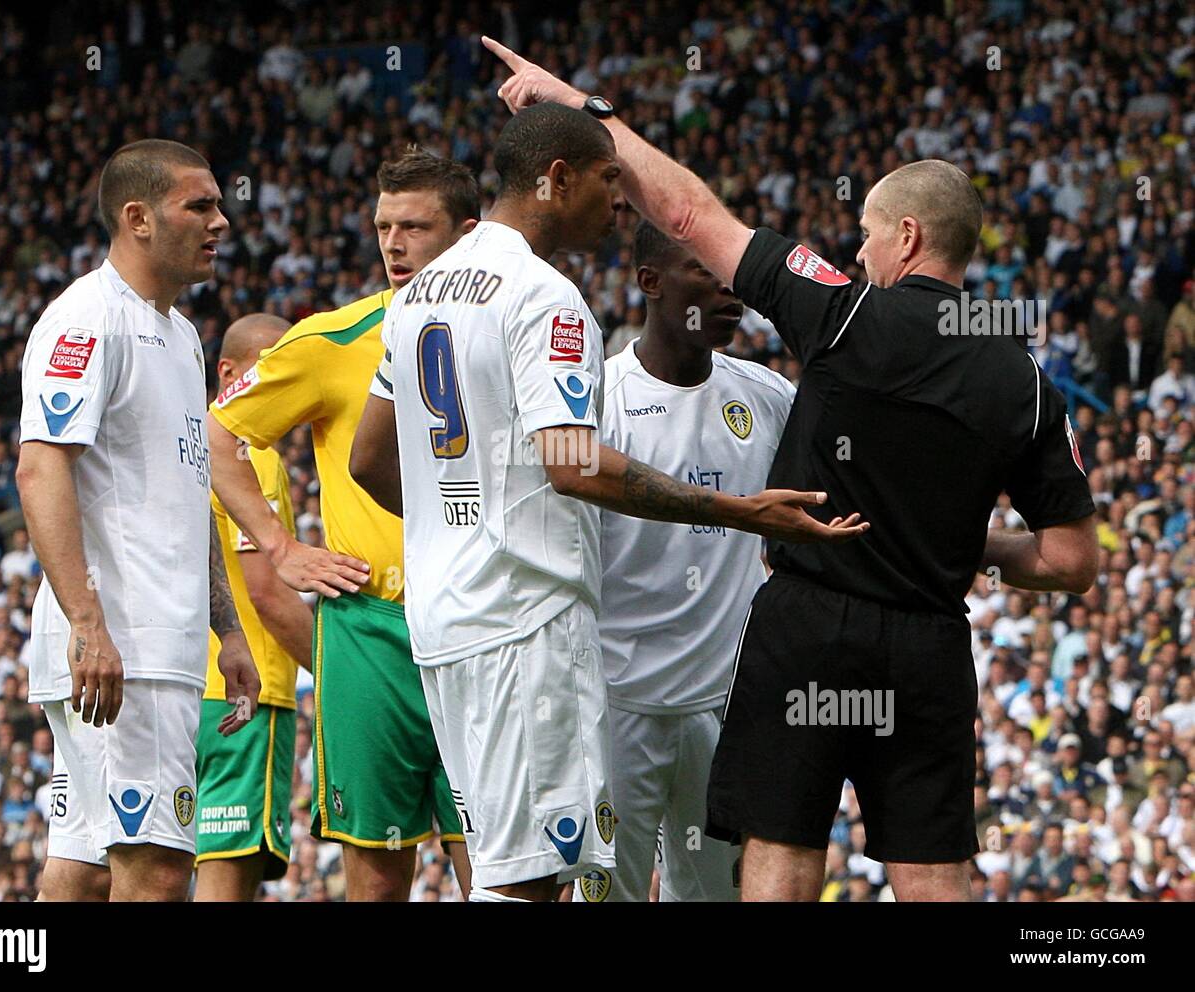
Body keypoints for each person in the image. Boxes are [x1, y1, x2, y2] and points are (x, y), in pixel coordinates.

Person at [483, 37, 1098, 902]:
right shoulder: (1028, 383)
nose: (861, 252)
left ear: (909, 236)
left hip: (810, 627)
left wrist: (587, 112)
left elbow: (693, 214)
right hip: (929, 641)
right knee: (931, 869)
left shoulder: (847, 317)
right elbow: (1072, 563)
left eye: (868, 236)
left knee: (781, 849)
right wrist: (976, 547)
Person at [350, 102, 864, 903]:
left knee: (506, 866)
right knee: (533, 880)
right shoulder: (545, 296)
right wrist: (739, 511)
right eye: (605, 182)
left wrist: (466, 521)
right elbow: (575, 466)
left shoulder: (422, 290)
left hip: (446, 616)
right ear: (556, 180)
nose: (618, 203)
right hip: (526, 617)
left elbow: (370, 459)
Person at [206, 150, 479, 901]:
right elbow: (217, 436)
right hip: (371, 630)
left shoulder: (512, 330)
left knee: (491, 868)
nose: (393, 243)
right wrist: (282, 546)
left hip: (483, 619)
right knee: (377, 872)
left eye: (415, 227)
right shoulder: (334, 337)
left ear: (468, 232)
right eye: (383, 225)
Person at [17, 139, 260, 902]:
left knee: (83, 872)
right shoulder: (87, 321)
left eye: (220, 204)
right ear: (138, 218)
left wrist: (228, 629)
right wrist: (90, 625)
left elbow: (187, 496)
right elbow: (40, 467)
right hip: (123, 645)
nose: (221, 221)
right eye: (200, 205)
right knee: (155, 871)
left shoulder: (182, 336)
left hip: (155, 641)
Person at [584, 220, 795, 902]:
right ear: (651, 281)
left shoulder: (766, 397)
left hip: (726, 707)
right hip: (615, 705)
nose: (730, 290)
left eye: (733, 275)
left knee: (714, 897)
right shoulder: (596, 401)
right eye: (706, 272)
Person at [194, 314, 310, 902]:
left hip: (195, 688)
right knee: (228, 876)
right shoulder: (249, 455)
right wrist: (335, 672)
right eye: (269, 369)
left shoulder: (192, 449)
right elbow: (266, 592)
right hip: (249, 695)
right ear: (229, 373)